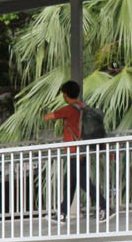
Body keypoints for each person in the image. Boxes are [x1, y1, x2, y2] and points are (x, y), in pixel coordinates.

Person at [43, 81, 108, 223]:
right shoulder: (83, 107)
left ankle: (104, 206)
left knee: (83, 182)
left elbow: (47, 117)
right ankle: (62, 213)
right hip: (82, 150)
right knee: (70, 183)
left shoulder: (68, 109)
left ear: (65, 95)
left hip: (75, 151)